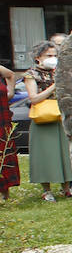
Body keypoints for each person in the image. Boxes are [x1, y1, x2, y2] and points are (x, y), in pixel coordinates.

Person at [23, 41, 72, 201]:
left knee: (64, 152)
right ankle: (47, 190)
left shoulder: (59, 72)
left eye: (55, 55)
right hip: (43, 118)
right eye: (49, 55)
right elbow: (34, 98)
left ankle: (66, 188)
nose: (53, 58)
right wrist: (54, 86)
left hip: (60, 116)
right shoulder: (31, 74)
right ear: (38, 57)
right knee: (45, 153)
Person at [0, 63, 20, 200]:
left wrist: (10, 92)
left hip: (1, 119)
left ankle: (4, 194)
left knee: (3, 151)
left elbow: (10, 74)